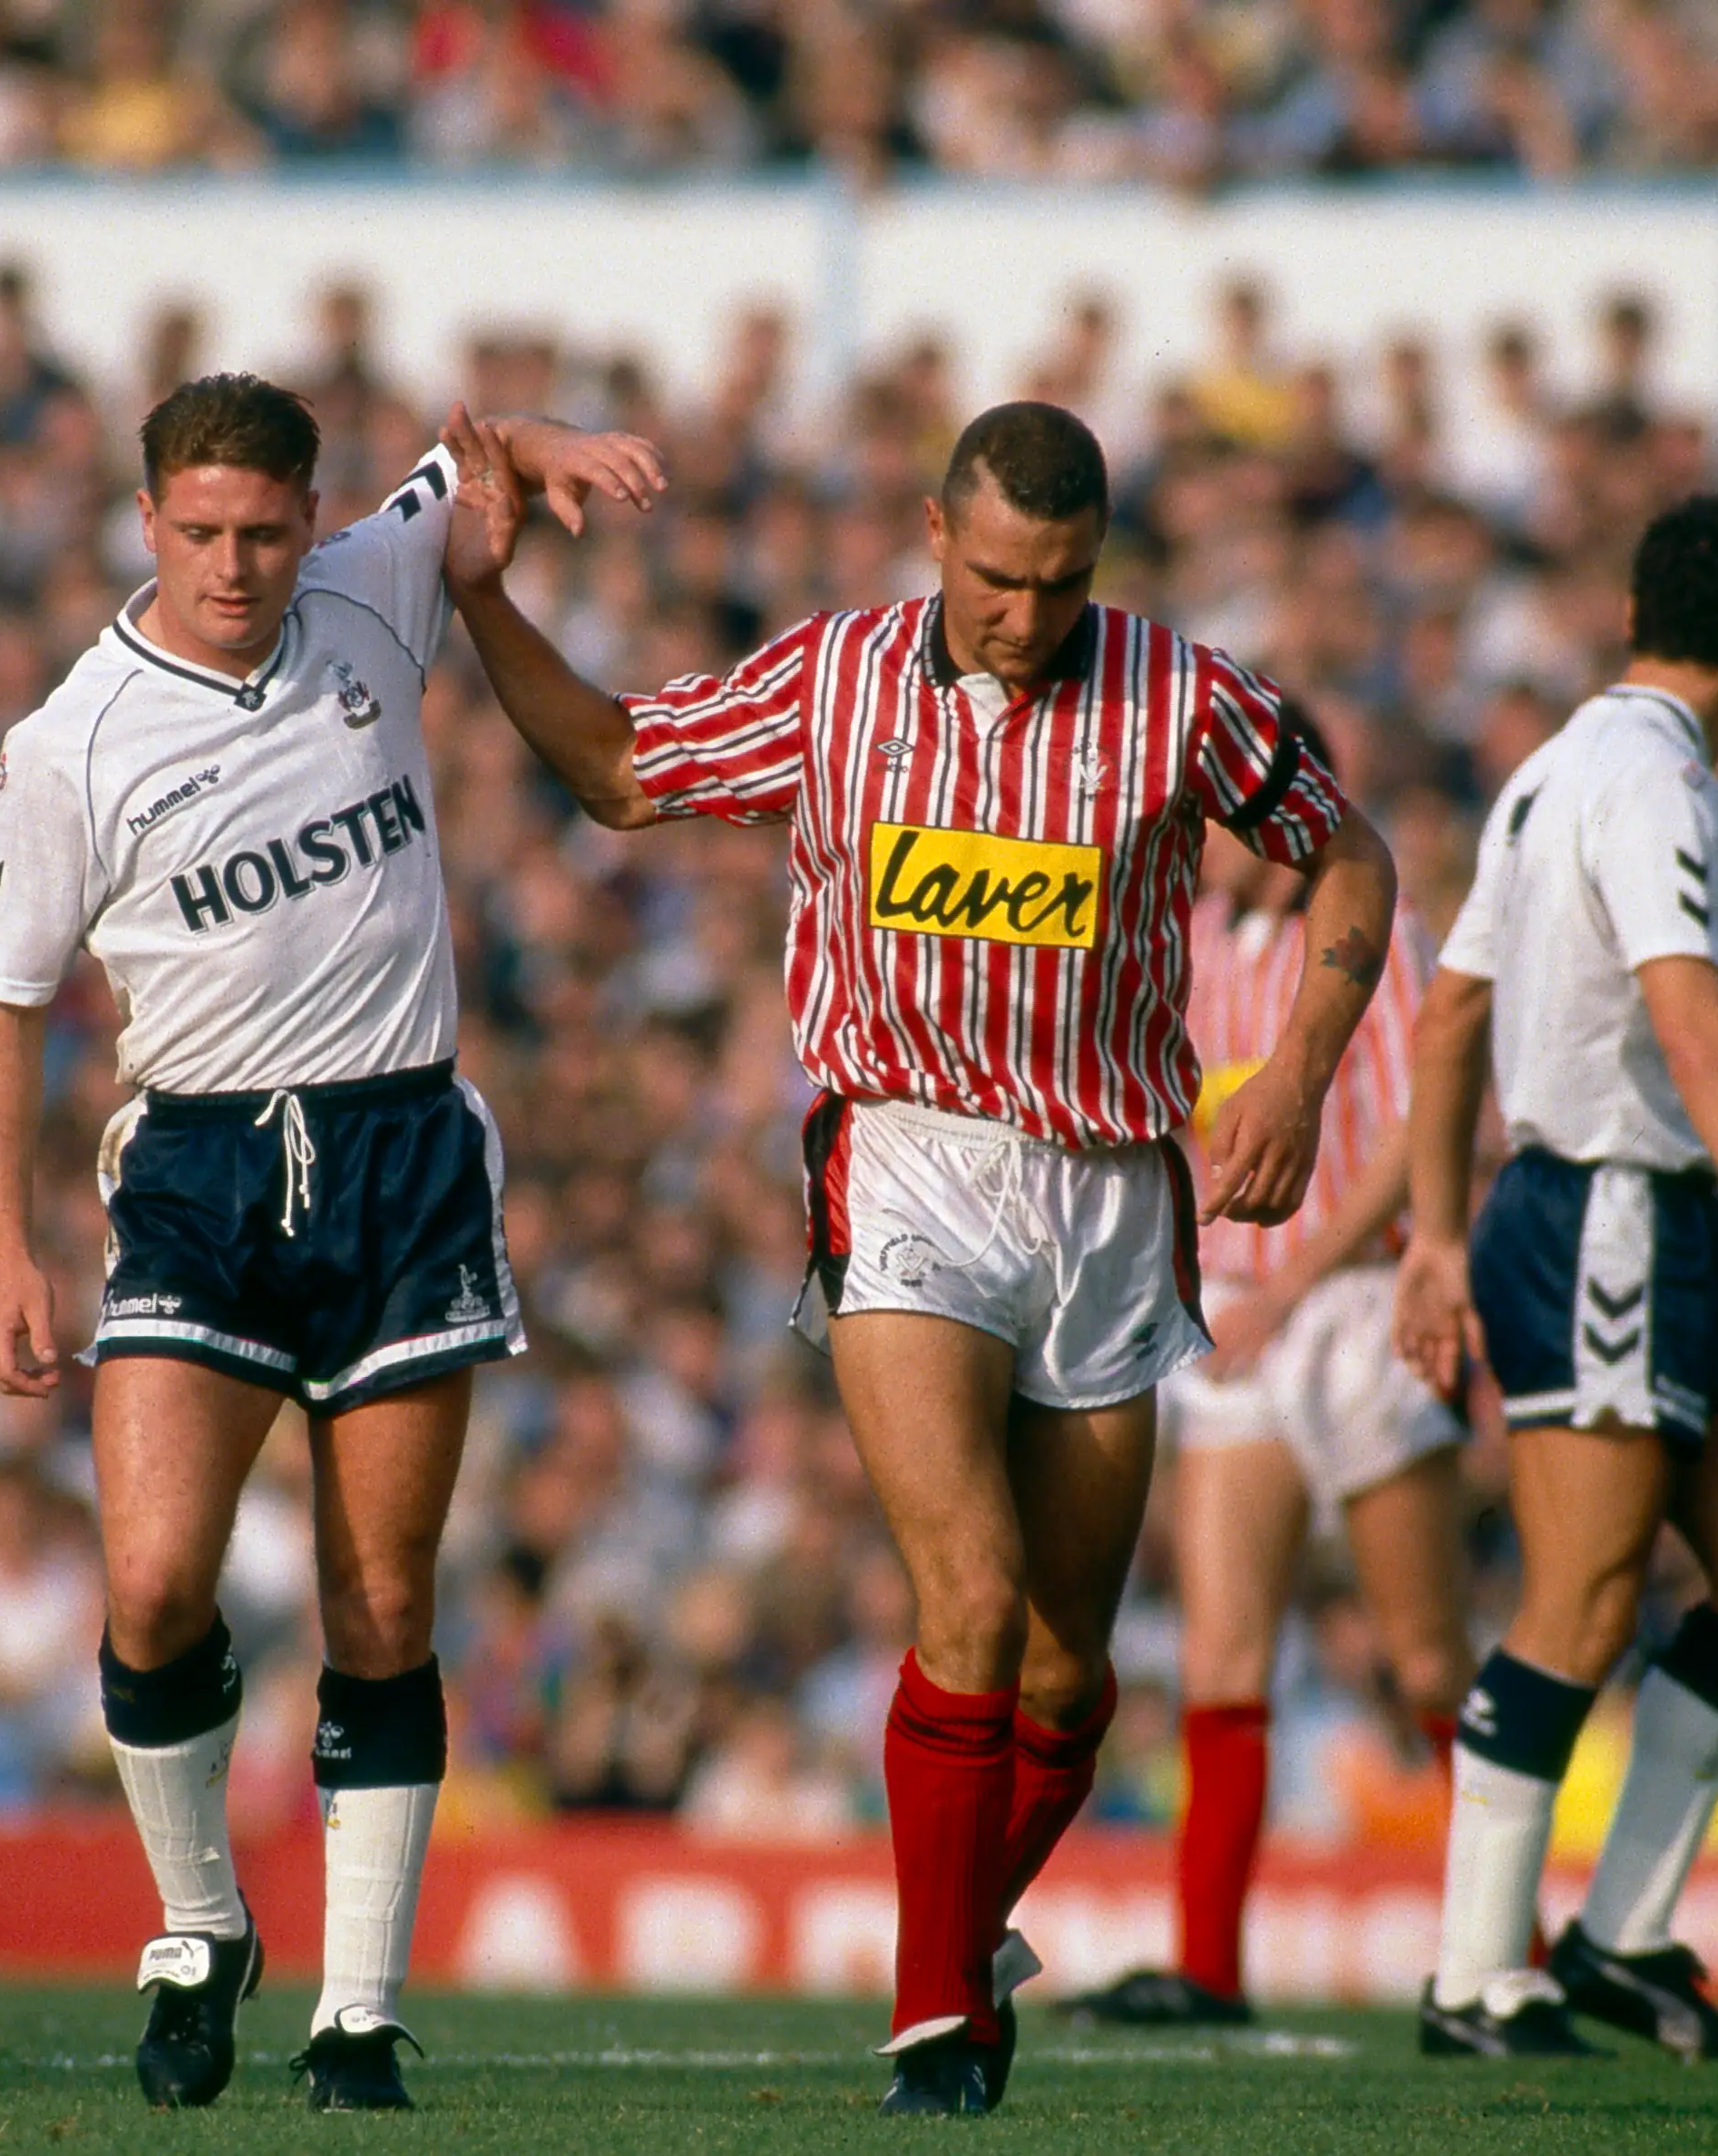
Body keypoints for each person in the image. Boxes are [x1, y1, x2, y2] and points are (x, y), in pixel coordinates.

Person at [439, 399, 1399, 2113]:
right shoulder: (836, 678)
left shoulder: (1182, 697)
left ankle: (960, 1943)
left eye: (1061, 581)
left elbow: (1348, 853)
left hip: (1111, 1187)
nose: (1025, 615)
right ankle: (936, 2022)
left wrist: (1307, 1074)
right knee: (962, 1593)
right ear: (932, 527)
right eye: (1000, 576)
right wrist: (484, 599)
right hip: (907, 1163)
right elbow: (614, 769)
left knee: (1065, 1667)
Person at [0, 373, 657, 2112]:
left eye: (265, 530)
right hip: (198, 1162)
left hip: (399, 1141)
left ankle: (357, 2011)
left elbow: (470, 451)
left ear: (308, 516)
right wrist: (8, 1243)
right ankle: (199, 1924)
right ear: (146, 524)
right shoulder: (72, 741)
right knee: (148, 1579)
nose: (236, 565)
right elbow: (1, 1001)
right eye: (199, 532)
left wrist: (545, 445)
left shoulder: (372, 574)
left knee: (384, 1597)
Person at [1393, 492, 1718, 2062]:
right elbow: (1687, 1010)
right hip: (1604, 1207)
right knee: (1581, 1597)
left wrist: (1435, 1233)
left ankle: (1620, 1931)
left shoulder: (1547, 770)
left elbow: (1450, 1011)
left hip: (1637, 1215)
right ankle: (1470, 1973)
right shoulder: (1655, 782)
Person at [1069, 822, 1469, 2027]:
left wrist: (1291, 1288)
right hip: (1234, 1321)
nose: (1191, 837)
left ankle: (1521, 1942)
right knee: (1221, 1656)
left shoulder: (1371, 936)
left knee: (1424, 1659)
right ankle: (1206, 1962)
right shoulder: (1186, 938)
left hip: (1346, 1306)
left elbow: (1414, 1129)